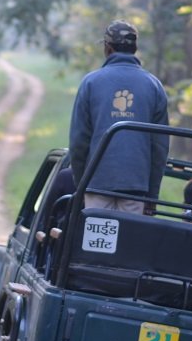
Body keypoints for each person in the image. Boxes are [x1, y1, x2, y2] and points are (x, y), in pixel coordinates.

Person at [68, 20, 169, 214]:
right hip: (136, 187)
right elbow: (159, 148)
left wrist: (82, 185)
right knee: (128, 242)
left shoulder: (91, 82)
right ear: (135, 48)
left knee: (95, 243)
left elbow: (79, 142)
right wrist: (152, 195)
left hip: (96, 184)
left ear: (108, 47)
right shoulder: (153, 85)